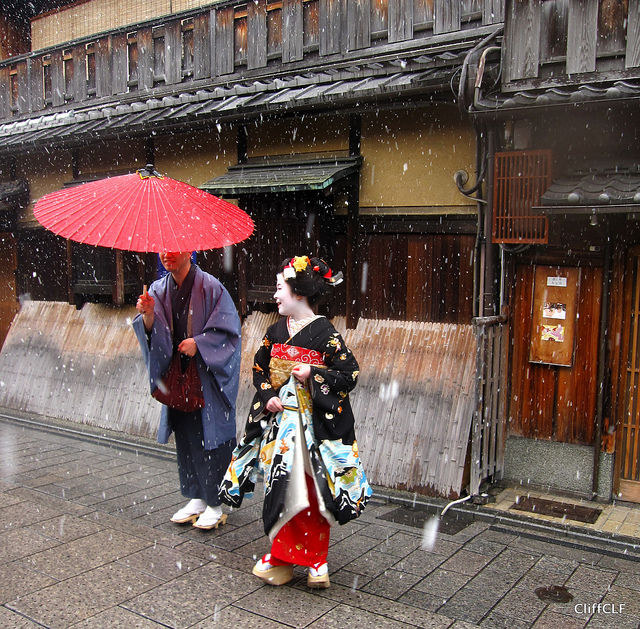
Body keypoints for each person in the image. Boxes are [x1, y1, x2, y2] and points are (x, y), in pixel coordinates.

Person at [219, 255, 372, 589]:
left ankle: (317, 560)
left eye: (279, 288)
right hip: (281, 425)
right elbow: (260, 369)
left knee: (313, 492)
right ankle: (282, 555)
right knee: (282, 488)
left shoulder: (326, 334)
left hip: (312, 430)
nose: (275, 296)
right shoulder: (275, 332)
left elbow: (349, 374)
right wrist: (268, 395)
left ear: (299, 293)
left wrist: (314, 374)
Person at [133, 252, 241, 530]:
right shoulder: (157, 289)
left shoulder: (211, 287)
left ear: (189, 249)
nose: (167, 254)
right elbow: (152, 335)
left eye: (174, 248)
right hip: (178, 376)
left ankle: (215, 503)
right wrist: (147, 316)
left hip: (205, 375)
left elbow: (230, 333)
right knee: (185, 433)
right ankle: (196, 497)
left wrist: (201, 343)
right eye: (163, 248)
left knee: (211, 437)